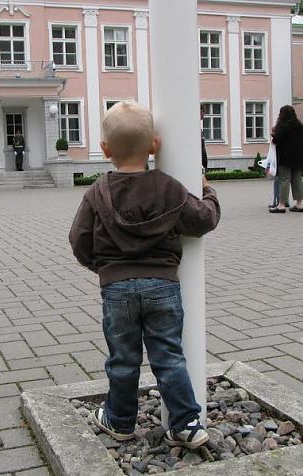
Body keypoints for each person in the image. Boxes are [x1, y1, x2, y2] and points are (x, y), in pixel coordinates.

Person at [69, 101, 221, 449]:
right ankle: (186, 424)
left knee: (123, 358)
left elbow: (79, 240)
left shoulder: (97, 193)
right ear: (154, 145)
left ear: (105, 150)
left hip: (116, 289)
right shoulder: (169, 188)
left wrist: (104, 268)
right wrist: (208, 191)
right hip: (163, 285)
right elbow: (202, 221)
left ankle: (120, 421)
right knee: (168, 355)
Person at [269, 105, 303, 213]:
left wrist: (273, 136)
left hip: (285, 156)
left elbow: (277, 139)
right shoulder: (298, 125)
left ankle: (281, 204)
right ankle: (299, 203)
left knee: (284, 179)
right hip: (298, 156)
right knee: (297, 179)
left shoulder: (282, 124)